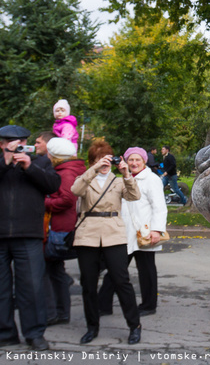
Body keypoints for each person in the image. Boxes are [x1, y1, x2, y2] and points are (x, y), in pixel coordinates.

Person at [71, 140, 142, 345]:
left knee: (122, 281)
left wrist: (126, 173)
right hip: (87, 233)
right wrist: (93, 169)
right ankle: (92, 326)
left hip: (113, 232)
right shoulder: (85, 179)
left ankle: (134, 325)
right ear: (92, 161)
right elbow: (75, 190)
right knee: (88, 284)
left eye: (106, 159)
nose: (103, 164)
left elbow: (134, 196)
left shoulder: (118, 181)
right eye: (97, 159)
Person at [0, 124, 60, 351]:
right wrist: (5, 163)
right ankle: (5, 333)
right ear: (2, 144)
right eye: (10, 143)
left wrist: (28, 167)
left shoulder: (40, 163)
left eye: (21, 142)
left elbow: (54, 185)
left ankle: (35, 334)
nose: (16, 146)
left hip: (29, 235)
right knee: (1, 288)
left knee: (32, 287)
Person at [98, 147, 168, 316]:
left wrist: (157, 230)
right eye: (131, 160)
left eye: (138, 160)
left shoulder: (151, 179)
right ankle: (103, 304)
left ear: (144, 161)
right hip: (123, 231)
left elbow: (159, 207)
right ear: (126, 161)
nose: (134, 163)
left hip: (144, 232)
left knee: (147, 270)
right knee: (116, 268)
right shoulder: (122, 178)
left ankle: (149, 305)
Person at [43, 137, 85, 326]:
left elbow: (67, 199)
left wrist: (42, 203)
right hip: (63, 228)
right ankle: (60, 312)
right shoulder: (71, 170)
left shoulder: (65, 173)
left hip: (59, 229)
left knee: (47, 271)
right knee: (56, 271)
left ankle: (53, 312)